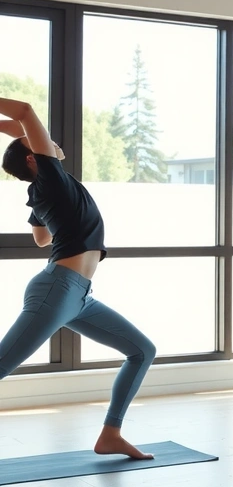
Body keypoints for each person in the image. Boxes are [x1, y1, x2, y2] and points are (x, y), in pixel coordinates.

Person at [1, 98, 157, 459]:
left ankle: (111, 435)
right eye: (39, 143)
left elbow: (42, 238)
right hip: (58, 291)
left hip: (78, 296)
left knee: (141, 351)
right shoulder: (50, 178)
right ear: (32, 158)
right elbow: (23, 113)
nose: (52, 141)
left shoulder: (44, 190)